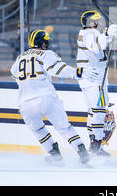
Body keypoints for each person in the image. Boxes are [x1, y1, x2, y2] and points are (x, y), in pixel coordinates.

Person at [10, 29, 99, 166]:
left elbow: (14, 74)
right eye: (46, 41)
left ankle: (54, 155)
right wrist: (77, 72)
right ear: (43, 42)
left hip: (25, 102)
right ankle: (82, 152)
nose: (48, 43)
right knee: (65, 128)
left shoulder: (19, 58)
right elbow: (57, 69)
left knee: (38, 129)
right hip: (46, 96)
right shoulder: (46, 54)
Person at [76, 10, 117, 156]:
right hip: (95, 77)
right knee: (99, 110)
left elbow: (104, 41)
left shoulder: (89, 33)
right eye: (97, 21)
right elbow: (96, 46)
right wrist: (108, 33)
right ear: (91, 23)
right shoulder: (89, 34)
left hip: (90, 78)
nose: (100, 23)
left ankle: (94, 142)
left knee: (93, 111)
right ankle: (96, 146)